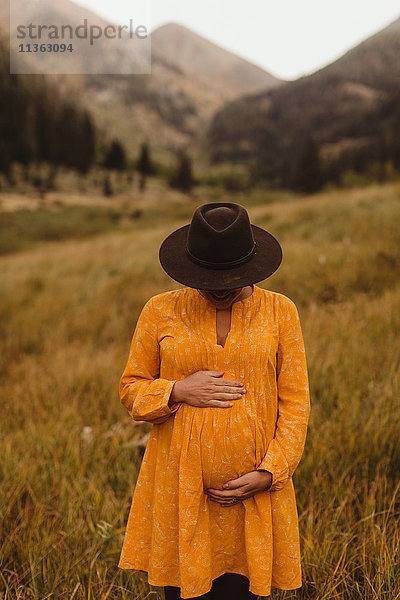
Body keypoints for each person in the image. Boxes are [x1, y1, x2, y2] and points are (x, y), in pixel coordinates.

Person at [117, 202, 311, 600]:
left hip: (253, 499)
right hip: (180, 491)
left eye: (230, 280)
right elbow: (131, 388)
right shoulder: (159, 310)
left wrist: (271, 473)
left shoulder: (280, 312)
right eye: (208, 280)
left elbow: (296, 403)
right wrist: (175, 390)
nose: (219, 289)